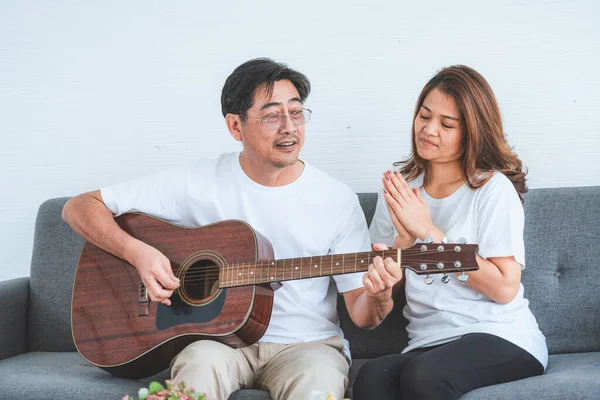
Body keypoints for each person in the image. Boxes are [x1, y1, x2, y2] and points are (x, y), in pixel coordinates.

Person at [62, 58, 403, 400]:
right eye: (272, 115)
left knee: (317, 385)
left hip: (307, 347)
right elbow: (79, 207)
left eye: (297, 113)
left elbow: (365, 317)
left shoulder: (337, 199)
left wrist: (380, 292)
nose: (289, 127)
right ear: (235, 126)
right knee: (198, 370)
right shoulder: (197, 181)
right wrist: (138, 253)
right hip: (215, 344)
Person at [352, 65, 548, 400]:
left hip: (501, 335)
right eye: (424, 116)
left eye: (446, 124)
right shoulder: (401, 191)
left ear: (472, 131)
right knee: (371, 377)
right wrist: (404, 242)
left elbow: (504, 288)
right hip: (429, 341)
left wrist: (429, 232)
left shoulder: (491, 189)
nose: (428, 130)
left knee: (424, 376)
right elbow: (387, 286)